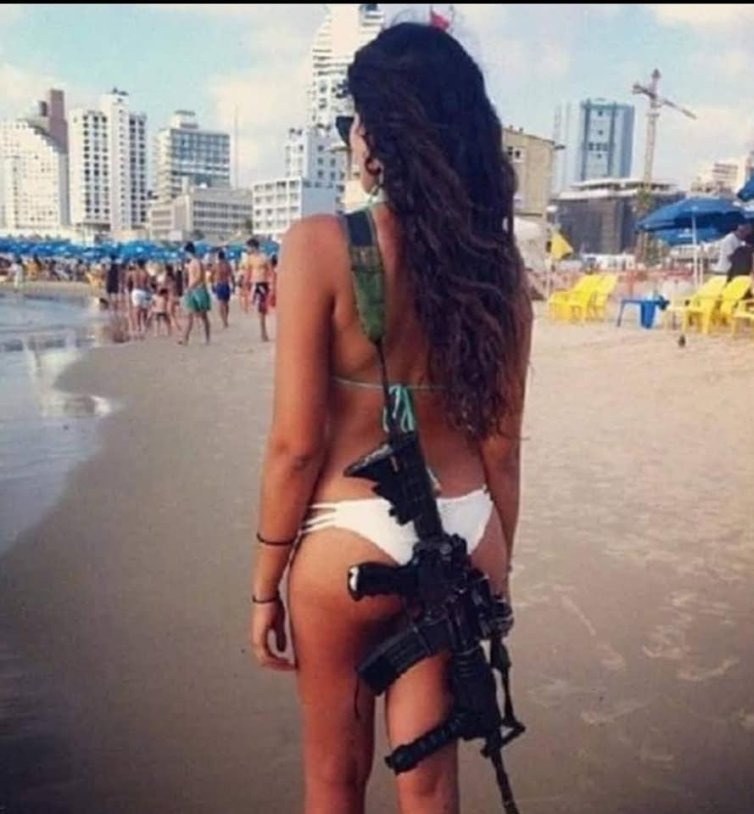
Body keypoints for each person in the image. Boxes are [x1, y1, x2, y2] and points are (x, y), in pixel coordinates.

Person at [250, 23, 531, 814]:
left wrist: (265, 587)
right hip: (466, 527)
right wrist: (496, 559)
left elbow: (296, 447)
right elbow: (501, 450)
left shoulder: (317, 246)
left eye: (356, 121)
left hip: (348, 533)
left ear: (379, 134)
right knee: (431, 784)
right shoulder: (497, 270)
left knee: (335, 784)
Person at [179, 242, 211, 345]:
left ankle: (207, 338)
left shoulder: (196, 262)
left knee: (202, 316)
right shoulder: (192, 262)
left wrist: (190, 287)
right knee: (189, 315)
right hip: (193, 290)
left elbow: (198, 277)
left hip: (198, 290)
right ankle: (185, 338)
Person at [245, 237, 273, 342]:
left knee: (262, 310)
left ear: (253, 247)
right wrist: (245, 285)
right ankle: (263, 331)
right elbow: (248, 273)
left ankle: (263, 332)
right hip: (254, 284)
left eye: (248, 247)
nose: (247, 249)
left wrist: (272, 285)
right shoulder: (250, 258)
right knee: (259, 310)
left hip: (263, 284)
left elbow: (270, 271)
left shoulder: (264, 257)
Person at [212, 249, 233, 329]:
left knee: (221, 304)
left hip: (219, 284)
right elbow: (231, 275)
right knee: (226, 304)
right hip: (226, 284)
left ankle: (224, 321)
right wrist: (233, 285)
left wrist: (212, 285)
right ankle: (226, 319)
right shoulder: (227, 265)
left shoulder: (216, 265)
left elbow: (212, 275)